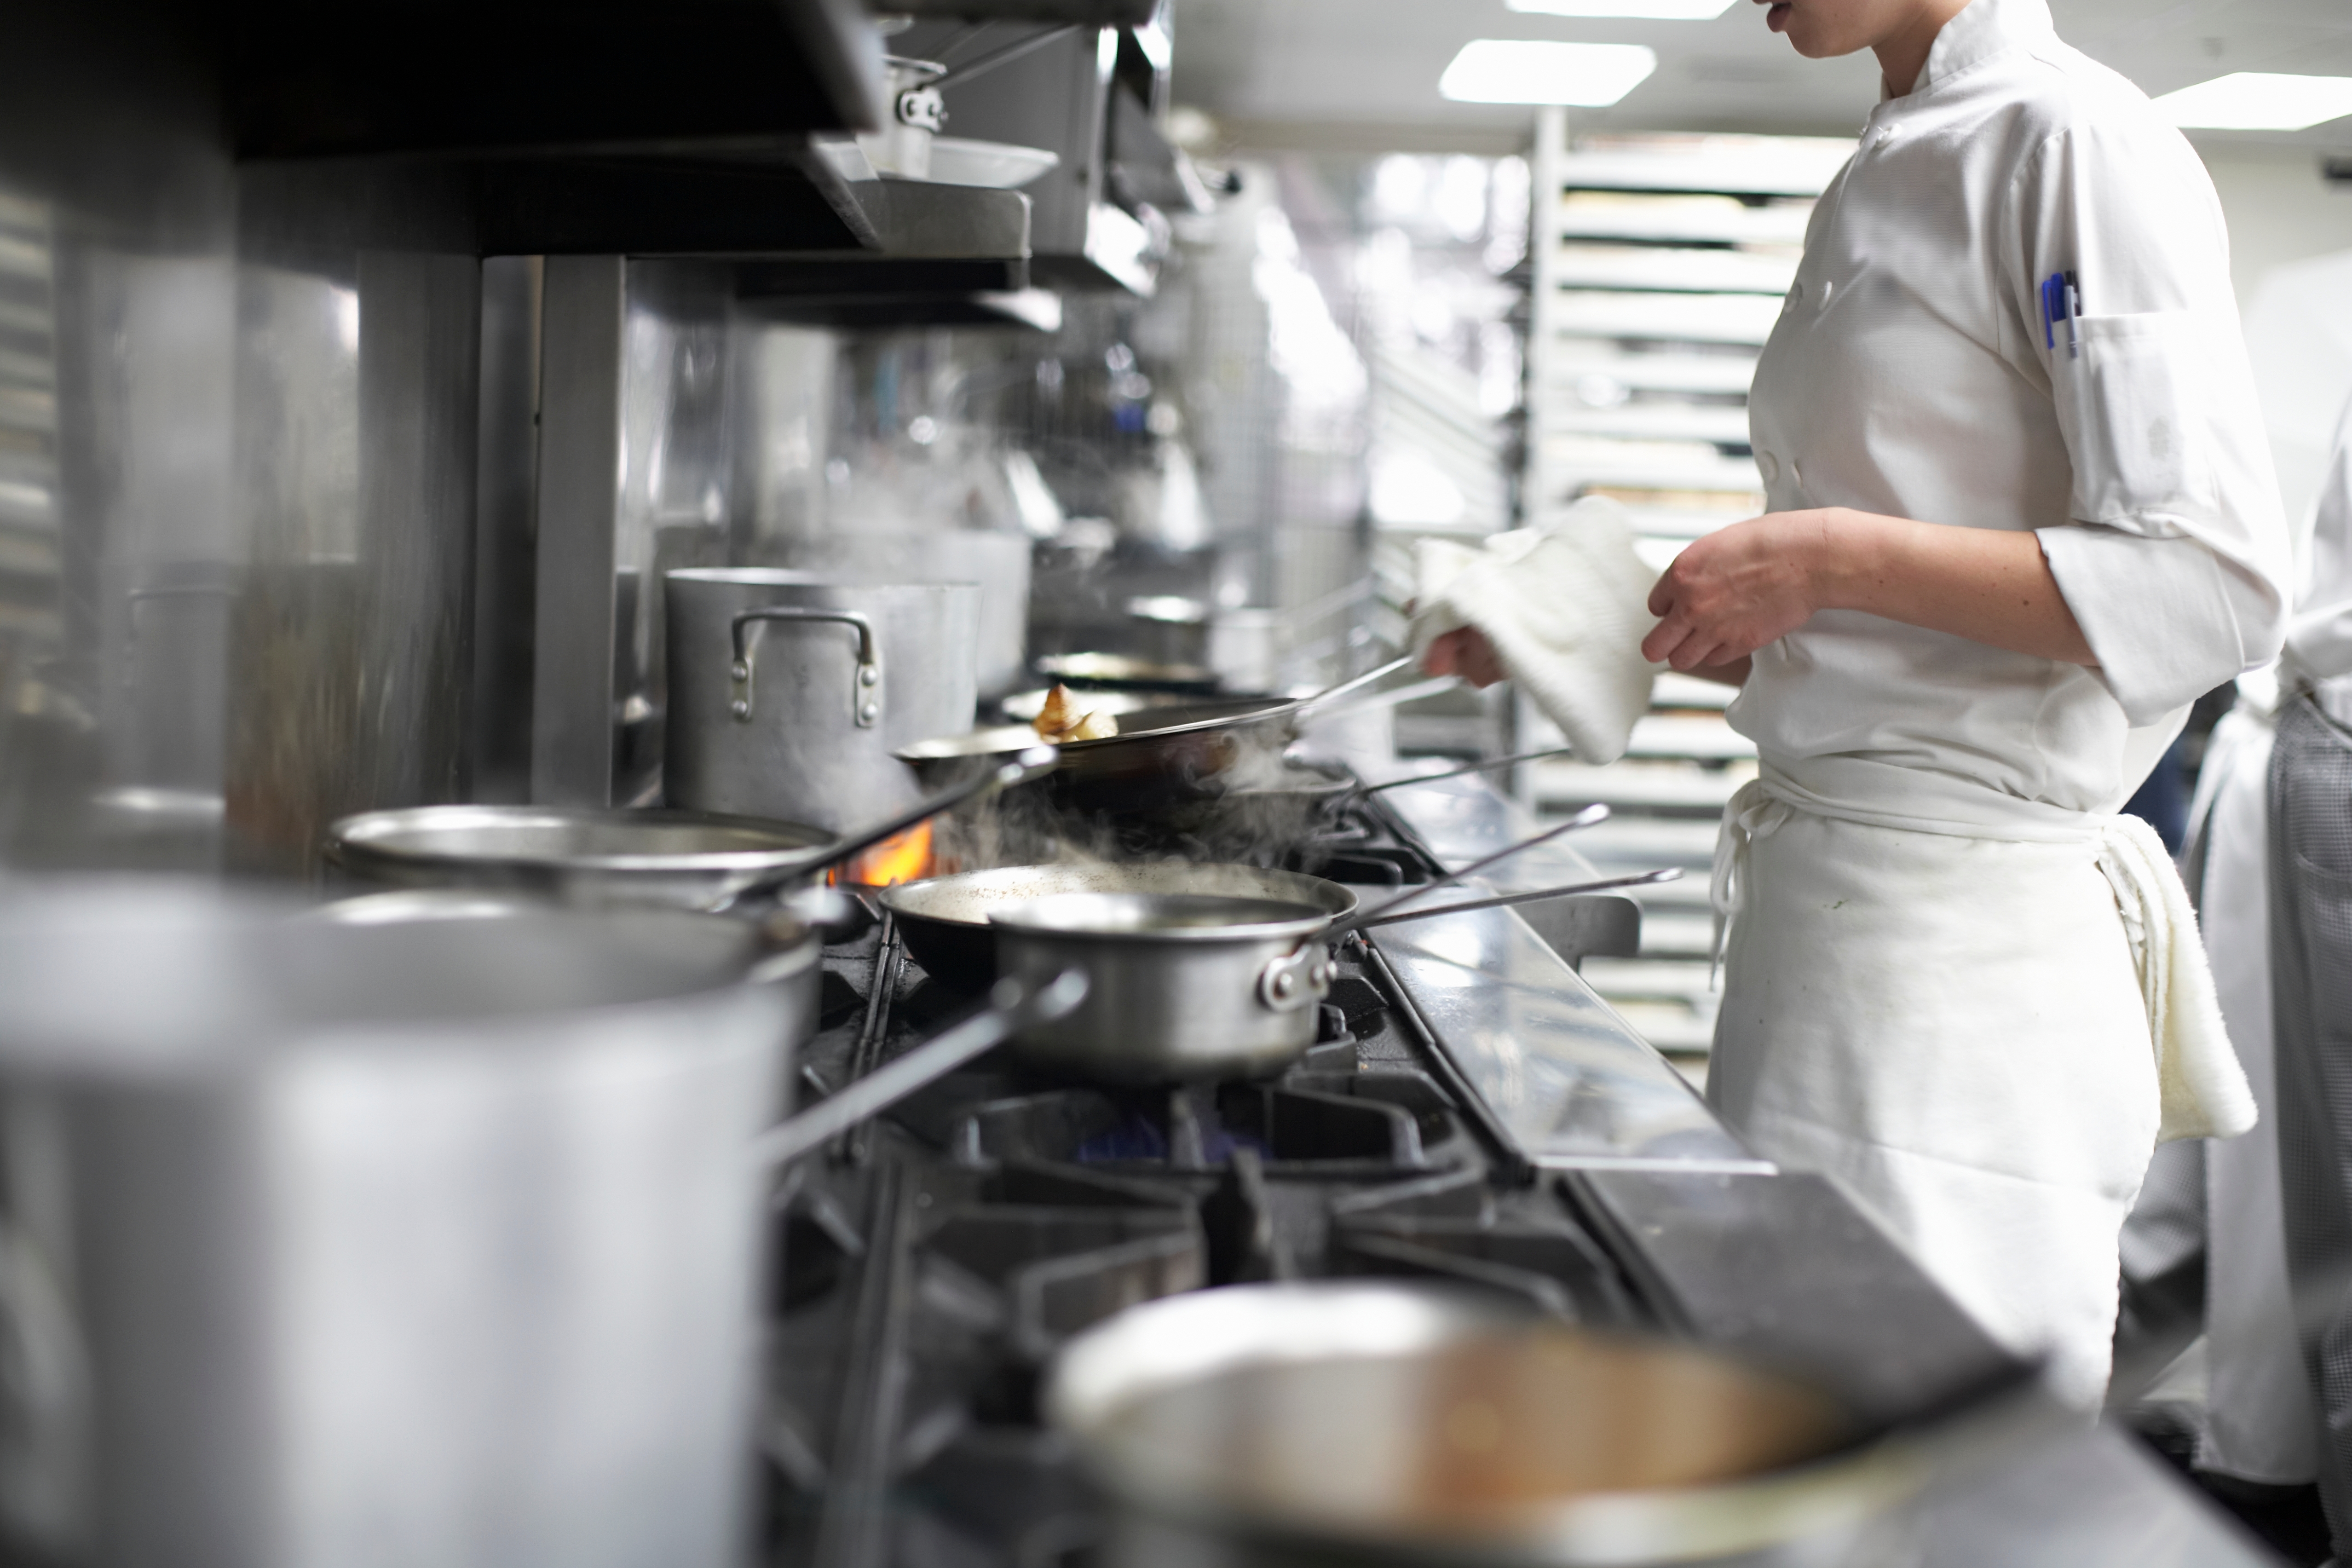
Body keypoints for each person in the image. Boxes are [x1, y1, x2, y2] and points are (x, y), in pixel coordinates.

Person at [1425, 0, 2289, 1404]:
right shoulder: (1893, 153)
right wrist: (1615, 619)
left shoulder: (2075, 142)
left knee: (1924, 1466)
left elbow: (2211, 588)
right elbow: (1925, 584)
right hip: (1836, 932)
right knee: (1799, 1420)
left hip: (1961, 976)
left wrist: (1826, 563)